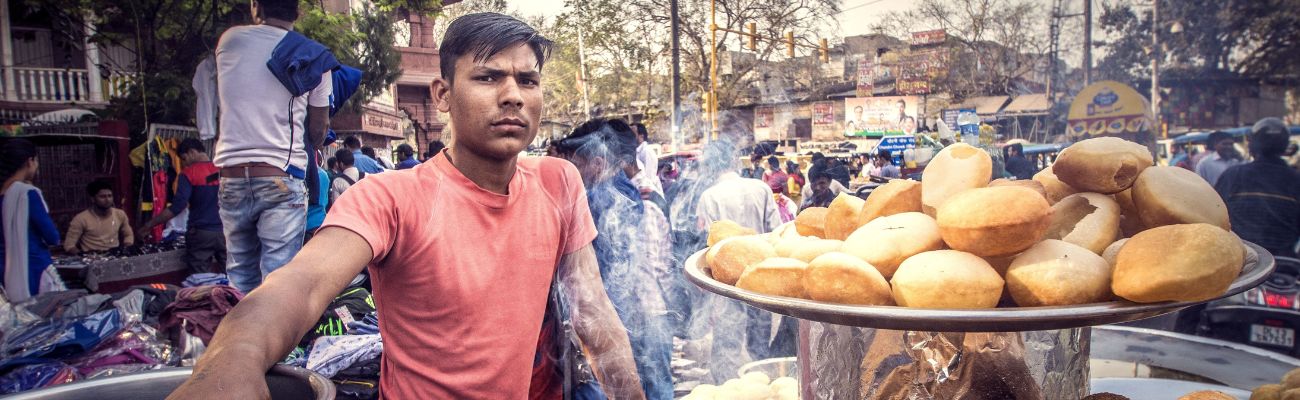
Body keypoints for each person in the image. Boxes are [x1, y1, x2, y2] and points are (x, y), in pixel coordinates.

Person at [167, 12, 644, 400]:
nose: (513, 96)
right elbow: (300, 286)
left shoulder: (558, 181)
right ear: (443, 96)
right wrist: (233, 359)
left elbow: (594, 313)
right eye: (488, 77)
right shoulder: (390, 197)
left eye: (528, 80)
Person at [213, 0, 332, 293]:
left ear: (256, 7)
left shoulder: (230, 40)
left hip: (232, 177)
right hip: (280, 174)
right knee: (278, 282)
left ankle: (240, 337)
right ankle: (277, 341)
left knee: (239, 278)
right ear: (298, 12)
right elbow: (318, 130)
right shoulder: (312, 56)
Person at [555, 118, 672, 400]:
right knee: (657, 388)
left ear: (596, 163)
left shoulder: (598, 199)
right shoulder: (638, 194)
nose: (573, 171)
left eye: (576, 163)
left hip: (627, 318)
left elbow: (596, 283)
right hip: (650, 313)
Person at [693, 138, 790, 383]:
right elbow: (775, 234)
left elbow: (709, 243)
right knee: (759, 343)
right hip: (760, 276)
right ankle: (764, 384)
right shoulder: (760, 188)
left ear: (711, 165)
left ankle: (729, 388)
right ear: (733, 161)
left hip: (727, 283)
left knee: (727, 344)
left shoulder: (709, 196)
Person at [1215, 118, 1300, 258]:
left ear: (1253, 145)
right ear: (1284, 146)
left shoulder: (1233, 175)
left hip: (1241, 260)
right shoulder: (1296, 179)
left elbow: (1215, 217)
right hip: (1284, 263)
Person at [137, 139, 225, 273]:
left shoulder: (188, 174)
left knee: (201, 280)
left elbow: (177, 206)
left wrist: (149, 225)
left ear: (192, 152)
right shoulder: (223, 170)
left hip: (201, 233)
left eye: (184, 159)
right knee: (234, 277)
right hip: (226, 232)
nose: (183, 164)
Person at [0, 139, 63, 302]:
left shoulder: (3, 194)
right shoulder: (27, 194)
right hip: (33, 267)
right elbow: (52, 237)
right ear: (30, 161)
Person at [65, 181, 133, 254]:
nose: (107, 200)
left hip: (115, 256)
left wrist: (127, 248)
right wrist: (82, 255)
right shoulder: (81, 219)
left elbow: (128, 234)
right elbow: (69, 245)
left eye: (110, 196)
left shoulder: (120, 214)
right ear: (93, 199)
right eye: (102, 197)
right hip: (93, 258)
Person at [631, 123, 664, 199]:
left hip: (649, 193)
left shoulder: (646, 151)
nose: (629, 136)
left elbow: (649, 177)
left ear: (641, 136)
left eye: (633, 134)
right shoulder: (637, 151)